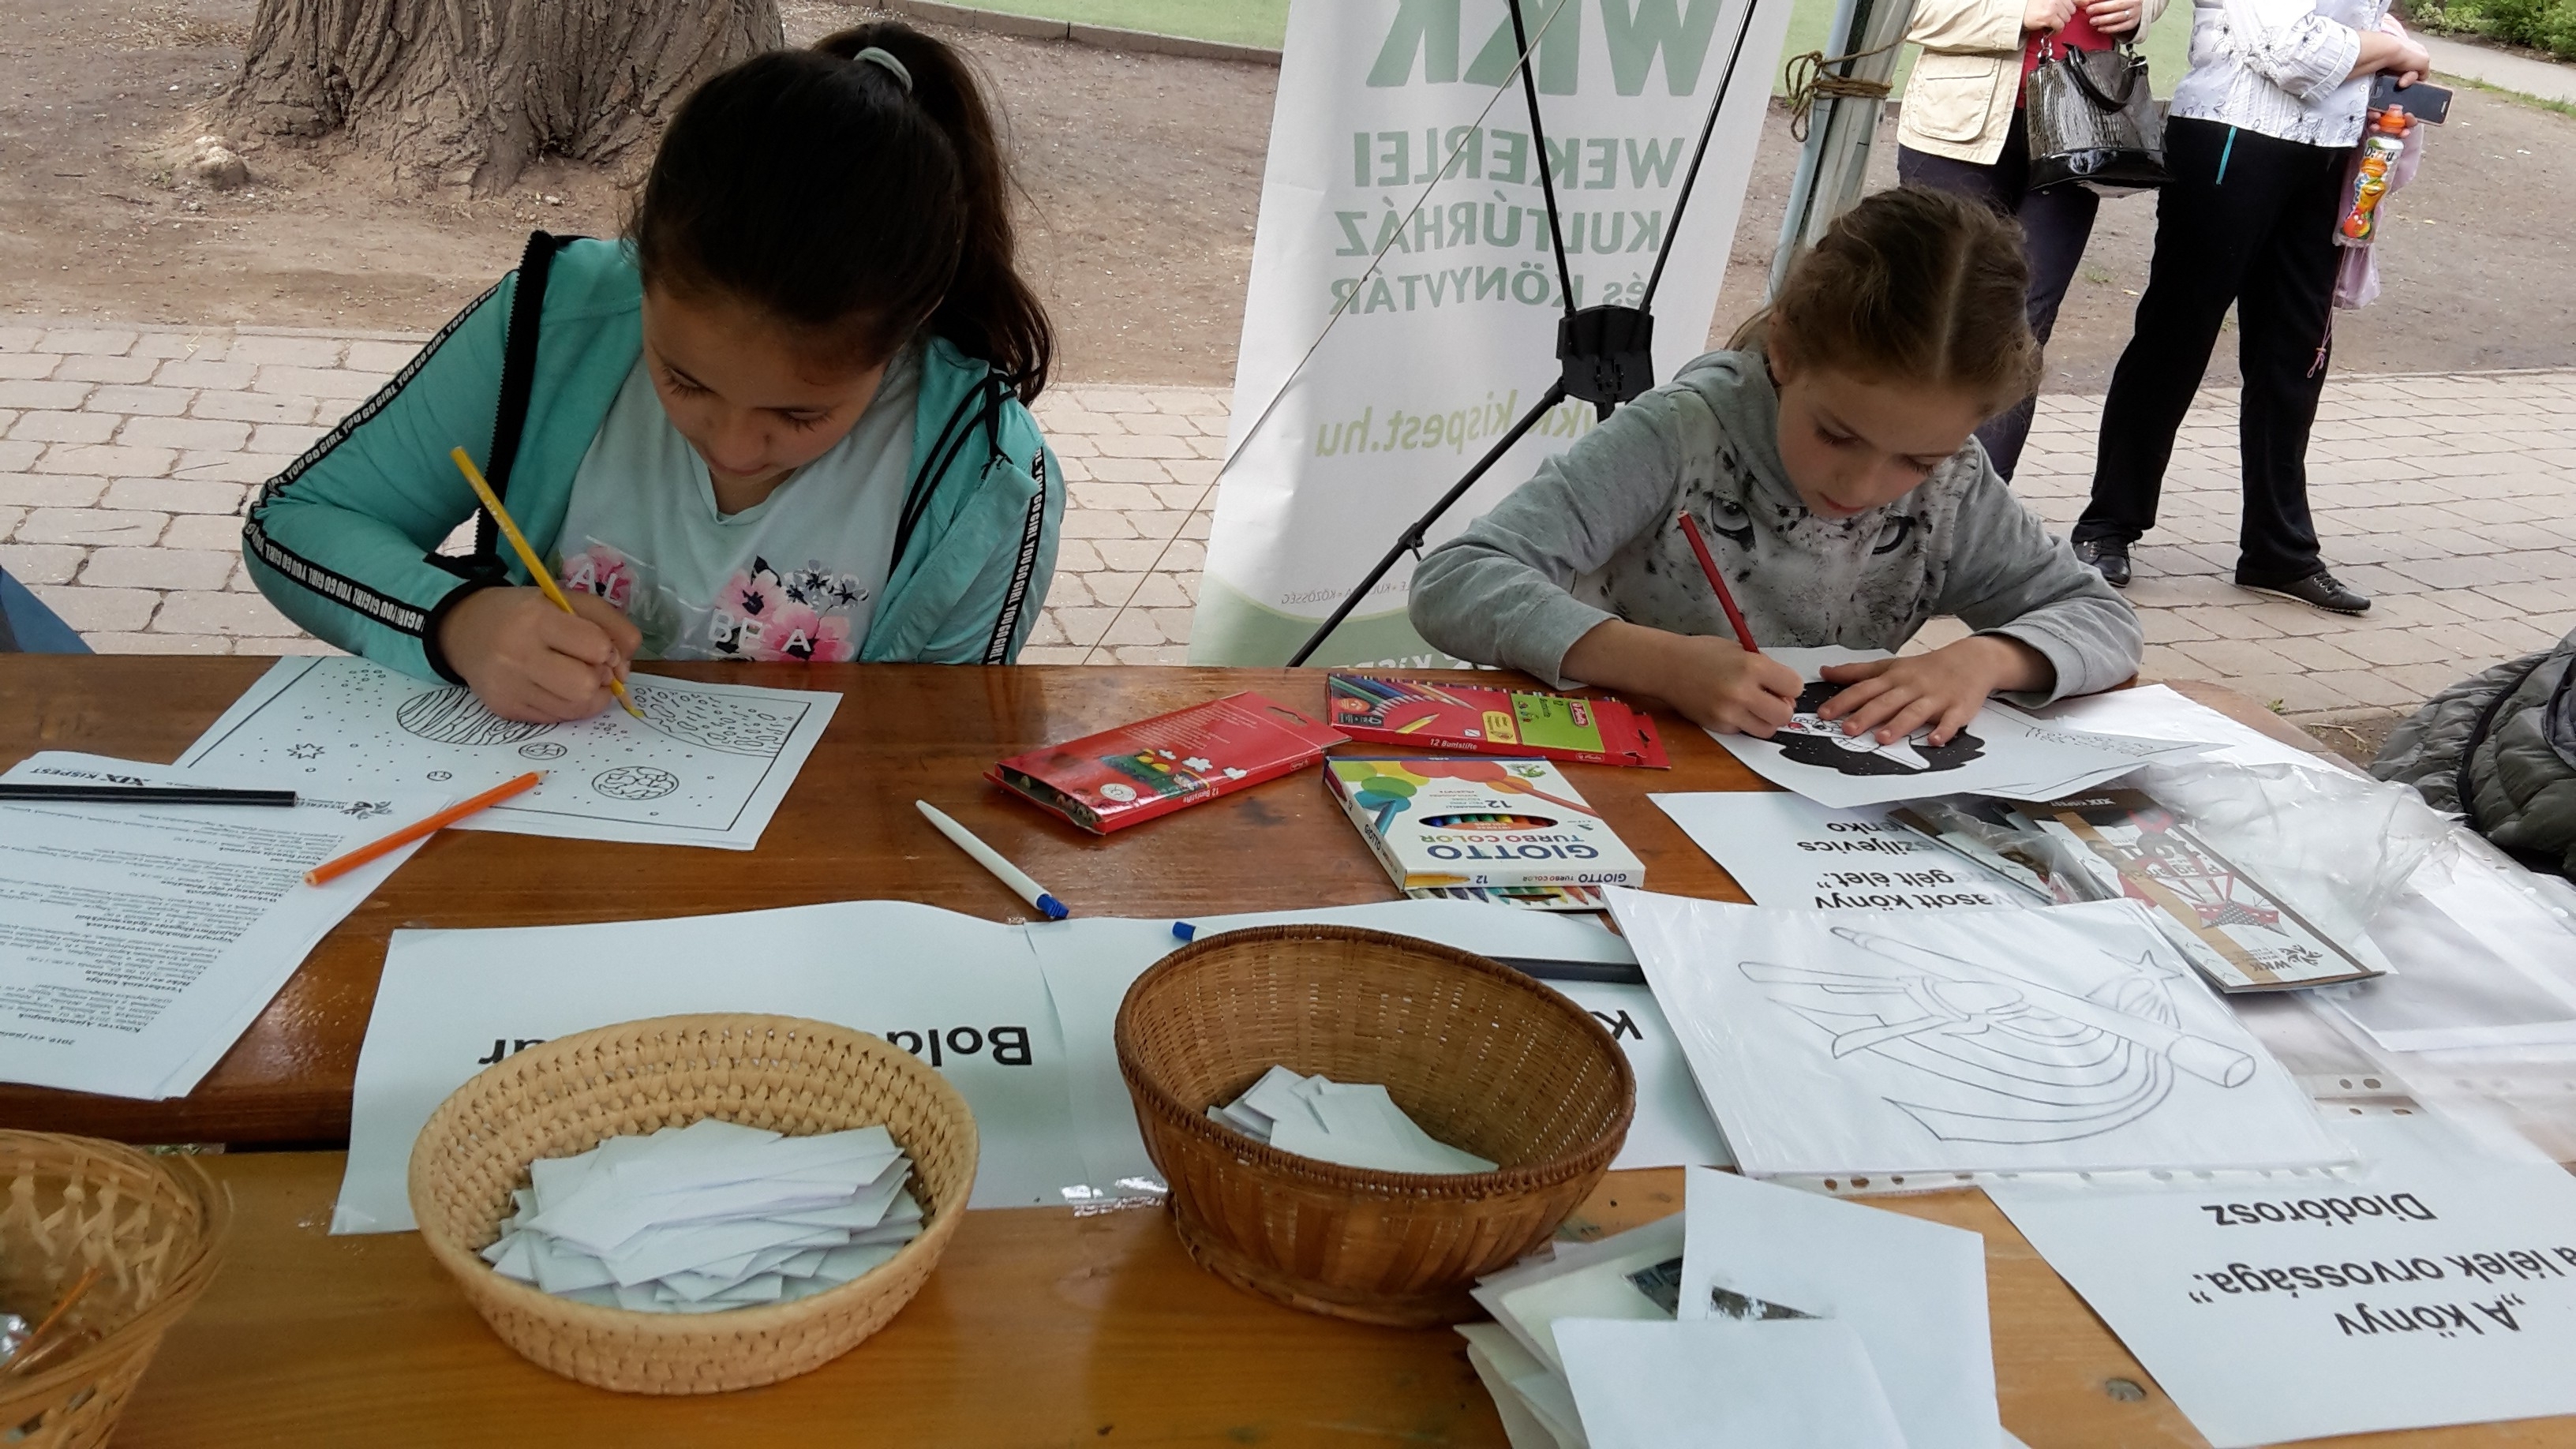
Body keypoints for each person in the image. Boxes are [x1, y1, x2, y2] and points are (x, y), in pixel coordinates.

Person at [243, 22, 1062, 723]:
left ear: (910, 328)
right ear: (642, 270)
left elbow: (936, 747)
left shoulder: (987, 479)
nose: (732, 449)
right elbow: (295, 524)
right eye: (685, 380)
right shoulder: (559, 320)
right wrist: (460, 621)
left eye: (799, 415)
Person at [1409, 186, 2140, 747]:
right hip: (1628, 779)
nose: (1862, 487)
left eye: (1917, 460)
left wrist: (1982, 660)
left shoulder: (1957, 483)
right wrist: (1658, 663)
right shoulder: (1681, 434)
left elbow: (2102, 619)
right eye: (1837, 435)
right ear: (1786, 352)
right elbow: (1457, 580)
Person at [2067, 0, 2431, 610]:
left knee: (2296, 355)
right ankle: (2107, 526)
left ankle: (2278, 550)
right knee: (2175, 339)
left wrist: (2388, 60)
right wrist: (2395, 51)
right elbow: (2290, 51)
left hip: (2329, 150)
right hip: (2231, 135)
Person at [1895, 0, 2168, 478]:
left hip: (2079, 125)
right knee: (1941, 314)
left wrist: (2142, 7)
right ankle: (1897, 489)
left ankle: (1977, 506)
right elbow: (1911, 13)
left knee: (2023, 329)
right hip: (1956, 129)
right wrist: (2017, 13)